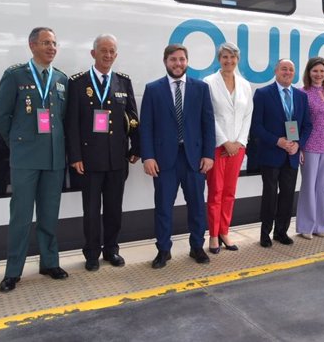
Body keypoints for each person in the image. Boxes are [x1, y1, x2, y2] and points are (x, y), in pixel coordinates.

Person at [0, 27, 69, 293]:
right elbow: (1, 117)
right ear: (32, 45)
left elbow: (65, 119)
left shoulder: (61, 79)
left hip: (54, 158)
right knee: (21, 217)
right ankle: (13, 272)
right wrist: (18, 142)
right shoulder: (15, 75)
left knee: (49, 215)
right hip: (25, 158)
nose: (52, 48)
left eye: (54, 43)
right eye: (46, 43)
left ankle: (50, 263)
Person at [65, 34, 140, 271]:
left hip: (117, 159)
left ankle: (111, 250)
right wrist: (75, 156)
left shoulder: (122, 82)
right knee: (91, 211)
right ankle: (91, 254)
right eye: (104, 51)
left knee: (113, 209)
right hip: (89, 161)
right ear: (93, 53)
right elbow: (72, 124)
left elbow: (133, 118)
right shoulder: (78, 83)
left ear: (116, 55)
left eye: (112, 52)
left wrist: (135, 148)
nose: (108, 55)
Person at [140, 44, 215, 269]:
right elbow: (146, 127)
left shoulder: (200, 88)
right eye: (173, 59)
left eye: (182, 59)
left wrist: (208, 155)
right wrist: (148, 157)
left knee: (196, 206)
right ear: (165, 62)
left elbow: (207, 124)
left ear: (187, 61)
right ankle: (163, 250)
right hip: (164, 160)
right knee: (163, 206)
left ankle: (196, 247)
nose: (178, 63)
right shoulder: (153, 89)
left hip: (194, 159)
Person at [251, 59, 312, 247]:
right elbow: (256, 127)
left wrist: (298, 144)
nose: (287, 72)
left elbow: (307, 125)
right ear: (276, 71)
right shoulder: (262, 94)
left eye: (291, 70)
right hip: (271, 153)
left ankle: (281, 232)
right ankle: (265, 233)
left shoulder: (300, 96)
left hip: (291, 154)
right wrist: (278, 141)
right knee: (269, 194)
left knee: (287, 194)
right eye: (284, 69)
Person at [204, 42, 253, 254]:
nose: (229, 61)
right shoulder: (208, 83)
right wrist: (225, 142)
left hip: (238, 147)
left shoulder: (244, 84)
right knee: (215, 192)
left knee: (230, 192)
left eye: (232, 57)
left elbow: (247, 115)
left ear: (237, 60)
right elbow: (209, 116)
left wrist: (239, 142)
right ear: (219, 59)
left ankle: (225, 231)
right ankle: (213, 235)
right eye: (225, 57)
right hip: (217, 146)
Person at [296, 57, 324, 239]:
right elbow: (296, 122)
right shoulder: (301, 93)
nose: (319, 74)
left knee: (322, 187)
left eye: (322, 71)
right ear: (309, 72)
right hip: (309, 145)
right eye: (315, 71)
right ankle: (306, 226)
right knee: (308, 186)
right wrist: (299, 147)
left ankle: (321, 226)